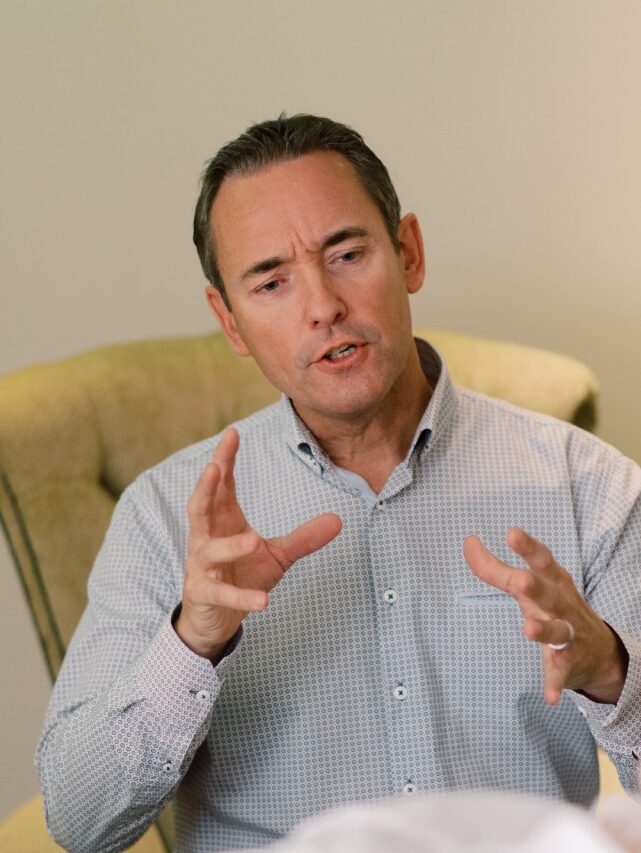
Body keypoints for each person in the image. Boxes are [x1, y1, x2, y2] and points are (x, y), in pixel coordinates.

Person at [36, 114, 641, 853]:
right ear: (229, 321)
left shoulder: (586, 485)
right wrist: (193, 641)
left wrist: (611, 672)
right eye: (271, 282)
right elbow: (79, 821)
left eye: (347, 254)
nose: (322, 306)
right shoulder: (164, 514)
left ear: (408, 253)